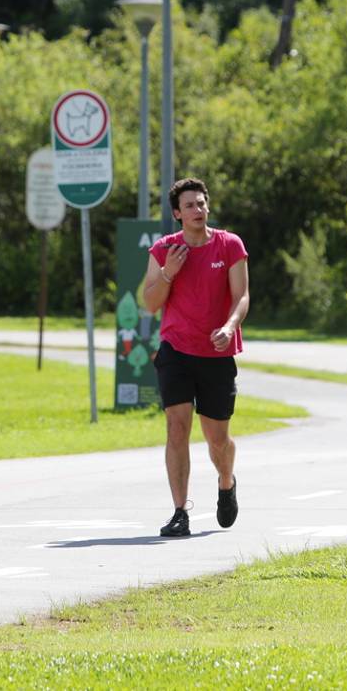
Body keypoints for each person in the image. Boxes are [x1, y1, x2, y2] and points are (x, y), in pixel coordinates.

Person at [142, 177, 249, 537]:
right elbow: (151, 302)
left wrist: (230, 326)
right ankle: (179, 512)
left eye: (201, 204)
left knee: (217, 438)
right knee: (177, 427)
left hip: (216, 352)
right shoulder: (164, 250)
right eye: (189, 205)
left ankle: (226, 480)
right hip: (176, 349)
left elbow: (242, 296)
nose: (197, 210)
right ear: (177, 213)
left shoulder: (229, 245)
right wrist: (169, 272)